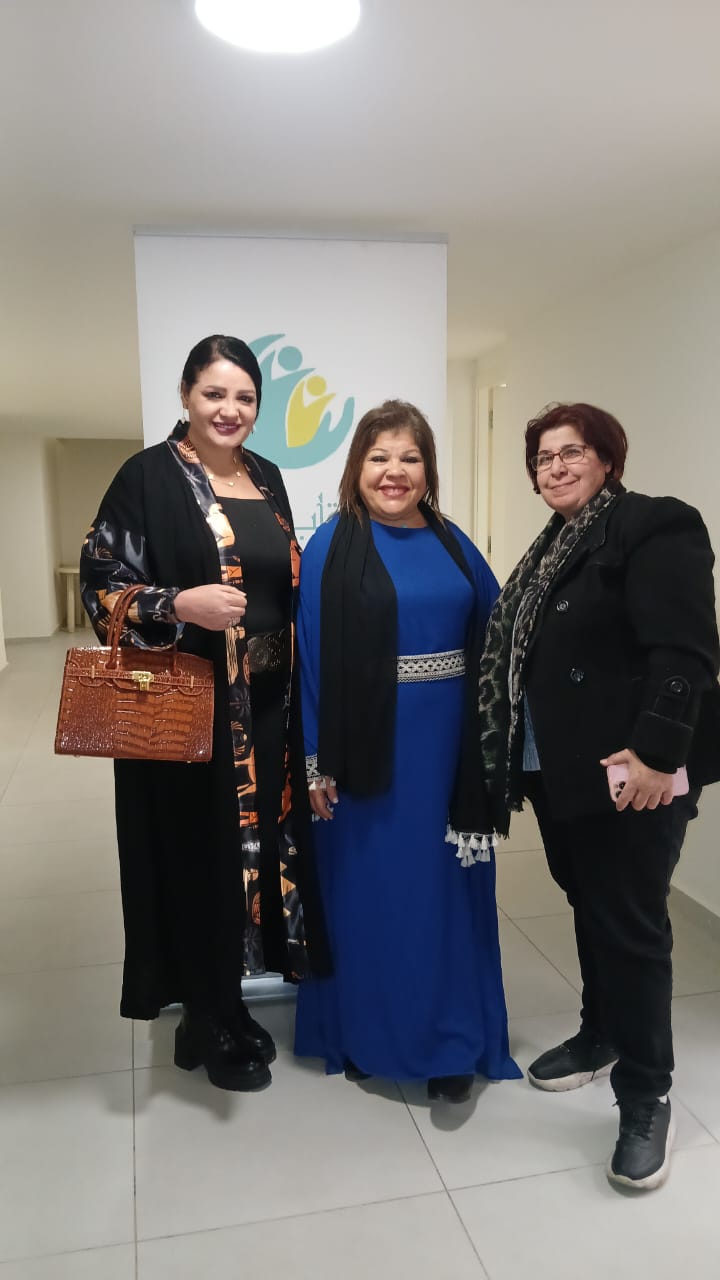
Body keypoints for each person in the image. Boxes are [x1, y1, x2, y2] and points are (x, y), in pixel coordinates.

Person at [477, 401, 720, 1188]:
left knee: (632, 927)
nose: (555, 467)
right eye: (542, 458)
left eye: (571, 451)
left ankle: (646, 1096)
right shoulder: (553, 546)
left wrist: (655, 754)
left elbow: (684, 651)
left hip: (633, 775)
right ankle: (600, 1031)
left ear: (608, 458)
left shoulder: (652, 525)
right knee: (589, 904)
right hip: (561, 771)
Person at [80, 334, 329, 1092]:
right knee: (200, 852)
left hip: (270, 704)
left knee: (258, 850)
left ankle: (232, 998)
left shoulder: (268, 476)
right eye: (214, 394)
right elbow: (99, 580)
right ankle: (207, 1012)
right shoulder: (147, 476)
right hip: (191, 703)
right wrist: (177, 603)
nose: (230, 409)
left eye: (244, 397)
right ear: (187, 396)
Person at [293, 399, 521, 1101]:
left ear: (428, 469)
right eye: (380, 457)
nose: (395, 472)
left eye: (410, 458)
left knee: (446, 897)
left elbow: (500, 629)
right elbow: (312, 660)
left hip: (448, 756)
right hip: (366, 757)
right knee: (373, 897)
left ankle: (451, 1042)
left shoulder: (453, 541)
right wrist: (315, 762)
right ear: (356, 467)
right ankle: (370, 1035)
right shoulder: (331, 544)